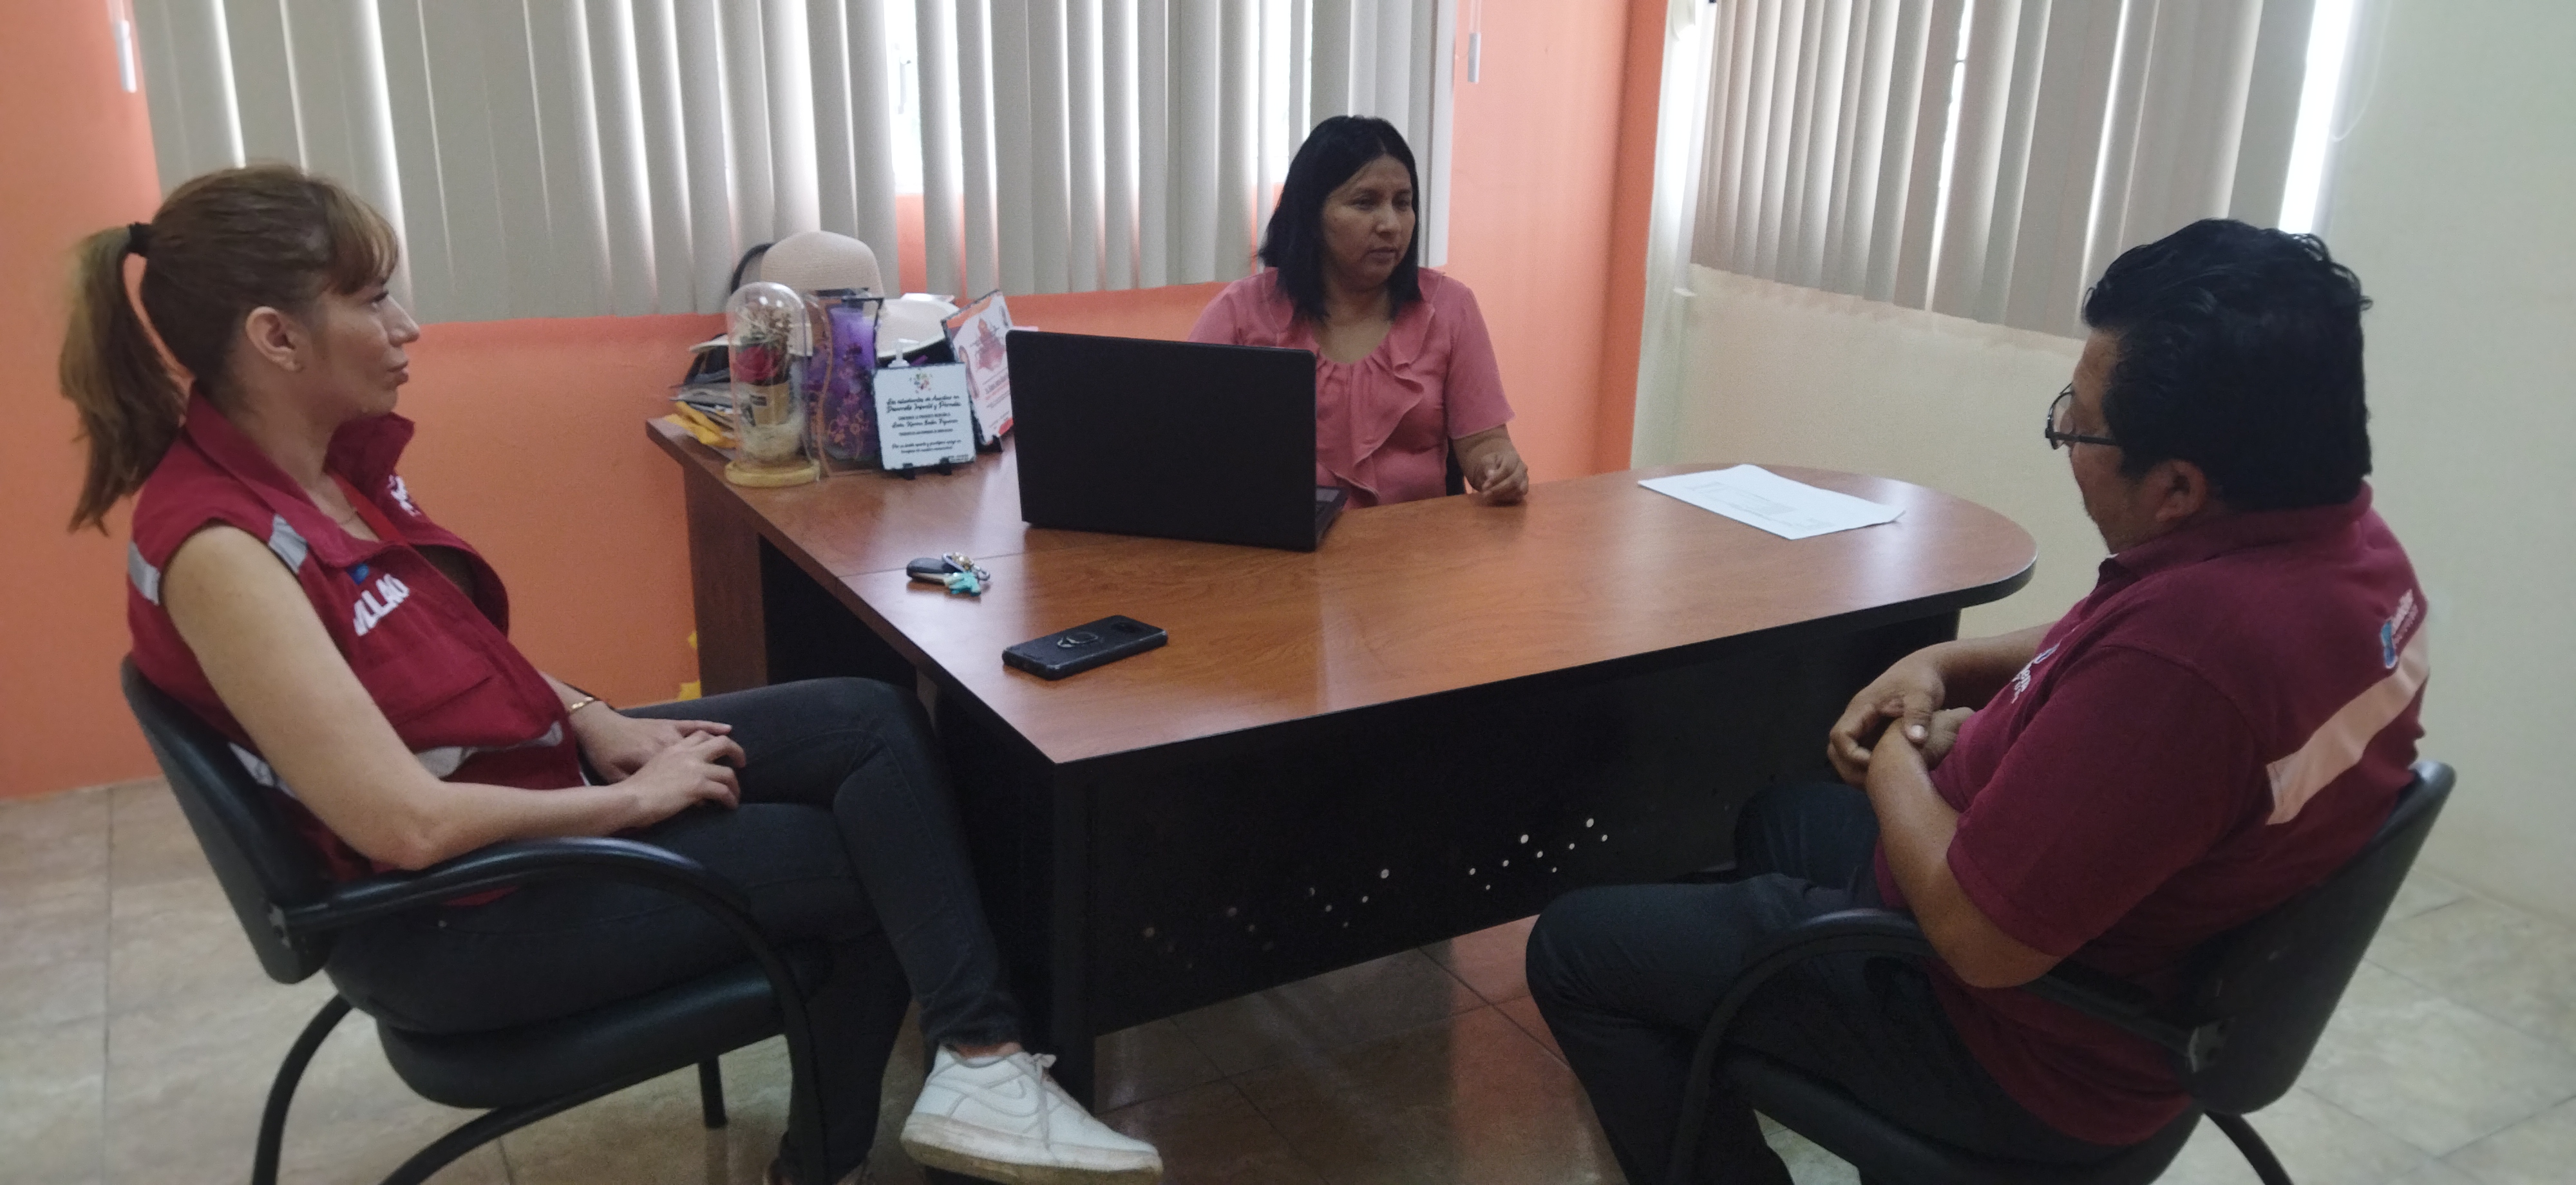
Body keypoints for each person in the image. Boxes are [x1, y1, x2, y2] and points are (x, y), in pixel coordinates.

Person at [64, 165, 1163, 1185]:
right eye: (373, 299)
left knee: (869, 722)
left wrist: (595, 719)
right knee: (869, 864)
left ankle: (978, 1063)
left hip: (524, 804)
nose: (407, 327)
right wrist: (632, 803)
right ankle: (842, 1154)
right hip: (459, 922)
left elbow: (451, 648)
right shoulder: (225, 551)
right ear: (275, 336)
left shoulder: (325, 472)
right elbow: (404, 823)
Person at [1525, 220, 2425, 1184]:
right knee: (1777, 817)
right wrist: (1941, 668)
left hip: (2017, 1045)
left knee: (1577, 951)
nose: (2066, 441)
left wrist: (1899, 748)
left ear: (2176, 487)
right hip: (2107, 971)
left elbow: (1978, 941)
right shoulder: (2348, 554)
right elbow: (2106, 637)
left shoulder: (2194, 659)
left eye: (2080, 427)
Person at [1189, 115, 1528, 507]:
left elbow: (1485, 443)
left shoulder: (1450, 308)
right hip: (1279, 539)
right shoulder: (1241, 311)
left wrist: (1499, 468)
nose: (1391, 225)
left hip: (1417, 541)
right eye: (1365, 203)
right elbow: (1184, 438)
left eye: (1403, 203)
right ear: (1311, 216)